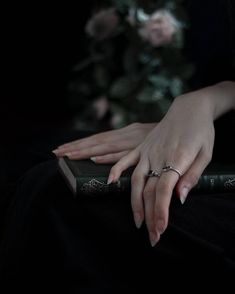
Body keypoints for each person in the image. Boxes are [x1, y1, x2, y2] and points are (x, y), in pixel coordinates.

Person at [0, 0, 235, 292]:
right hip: (209, 125)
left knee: (54, 192)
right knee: (22, 159)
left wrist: (212, 99)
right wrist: (175, 126)